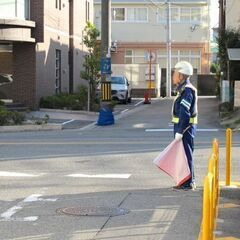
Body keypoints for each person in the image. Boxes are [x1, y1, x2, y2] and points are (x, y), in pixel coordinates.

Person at [171, 61, 198, 190]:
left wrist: (180, 131)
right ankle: (184, 181)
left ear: (181, 76)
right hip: (182, 127)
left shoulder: (187, 90)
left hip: (185, 128)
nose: (173, 76)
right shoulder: (182, 89)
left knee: (186, 154)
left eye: (175, 73)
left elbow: (185, 112)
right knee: (182, 155)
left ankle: (189, 182)